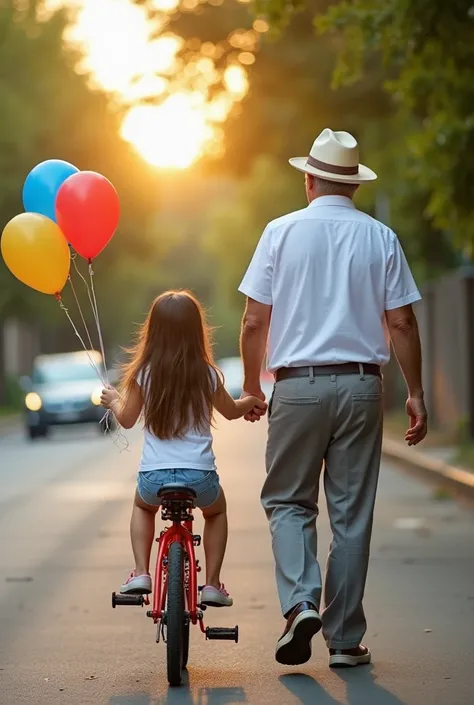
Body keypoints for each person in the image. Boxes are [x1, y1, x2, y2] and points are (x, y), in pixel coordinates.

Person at [238, 128, 428, 667]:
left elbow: (254, 320)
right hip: (363, 385)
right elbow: (403, 322)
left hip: (297, 387)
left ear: (309, 180)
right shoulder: (381, 238)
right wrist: (415, 393)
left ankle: (300, 602)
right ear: (355, 187)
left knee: (288, 501)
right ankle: (344, 640)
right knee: (351, 514)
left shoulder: (279, 232)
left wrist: (253, 386)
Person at [100, 290, 266, 607]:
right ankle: (214, 583)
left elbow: (127, 419)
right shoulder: (207, 374)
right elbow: (232, 411)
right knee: (216, 512)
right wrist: (252, 402)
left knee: (141, 507)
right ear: (196, 331)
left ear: (153, 331)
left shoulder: (142, 375)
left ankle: (140, 572)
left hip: (153, 480)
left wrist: (113, 401)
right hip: (200, 478)